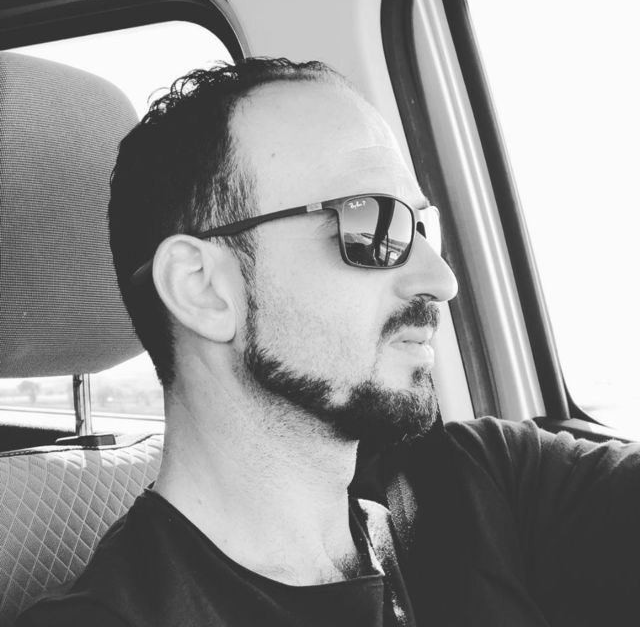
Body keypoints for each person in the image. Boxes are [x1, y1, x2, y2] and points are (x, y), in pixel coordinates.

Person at [17, 58, 640, 627]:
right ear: (203, 288)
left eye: (422, 228)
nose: (441, 280)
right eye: (373, 222)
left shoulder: (486, 483)